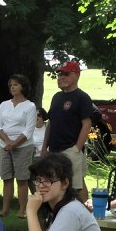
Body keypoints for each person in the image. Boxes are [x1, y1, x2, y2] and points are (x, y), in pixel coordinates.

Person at [41, 61, 93, 202]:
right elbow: (51, 123)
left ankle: (82, 214)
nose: (61, 77)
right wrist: (44, 146)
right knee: (56, 183)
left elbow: (86, 124)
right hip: (54, 149)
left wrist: (77, 148)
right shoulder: (57, 97)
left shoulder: (82, 97)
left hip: (71, 148)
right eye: (59, 74)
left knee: (75, 185)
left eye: (66, 74)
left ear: (76, 75)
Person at [0, 74, 36, 217]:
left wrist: (15, 143)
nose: (12, 87)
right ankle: (5, 209)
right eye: (11, 85)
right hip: (5, 146)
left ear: (23, 87)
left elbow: (29, 130)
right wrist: (7, 141)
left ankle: (22, 209)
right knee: (6, 178)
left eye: (16, 85)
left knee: (22, 179)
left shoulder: (30, 106)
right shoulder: (4, 105)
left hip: (23, 147)